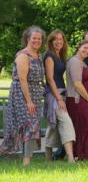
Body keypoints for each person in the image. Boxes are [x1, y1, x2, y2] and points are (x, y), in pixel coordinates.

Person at [0, 26, 45, 166]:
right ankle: (26, 161)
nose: (37, 41)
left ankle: (27, 159)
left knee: (32, 125)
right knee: (28, 125)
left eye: (39, 39)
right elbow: (23, 79)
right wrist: (29, 101)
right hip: (22, 94)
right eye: (34, 38)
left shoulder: (38, 55)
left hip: (35, 94)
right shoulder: (23, 55)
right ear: (27, 39)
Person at [43, 29, 75, 163]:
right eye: (55, 39)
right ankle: (70, 158)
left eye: (61, 39)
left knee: (53, 125)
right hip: (54, 94)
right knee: (66, 122)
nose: (58, 42)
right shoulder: (49, 56)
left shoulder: (60, 55)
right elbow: (50, 79)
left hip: (61, 91)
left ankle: (48, 157)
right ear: (51, 41)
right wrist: (59, 98)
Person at [66, 40, 88, 160]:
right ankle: (85, 155)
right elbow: (77, 84)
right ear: (79, 47)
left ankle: (82, 154)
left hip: (82, 100)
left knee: (84, 127)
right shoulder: (75, 61)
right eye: (85, 48)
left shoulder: (82, 62)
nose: (87, 51)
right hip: (77, 100)